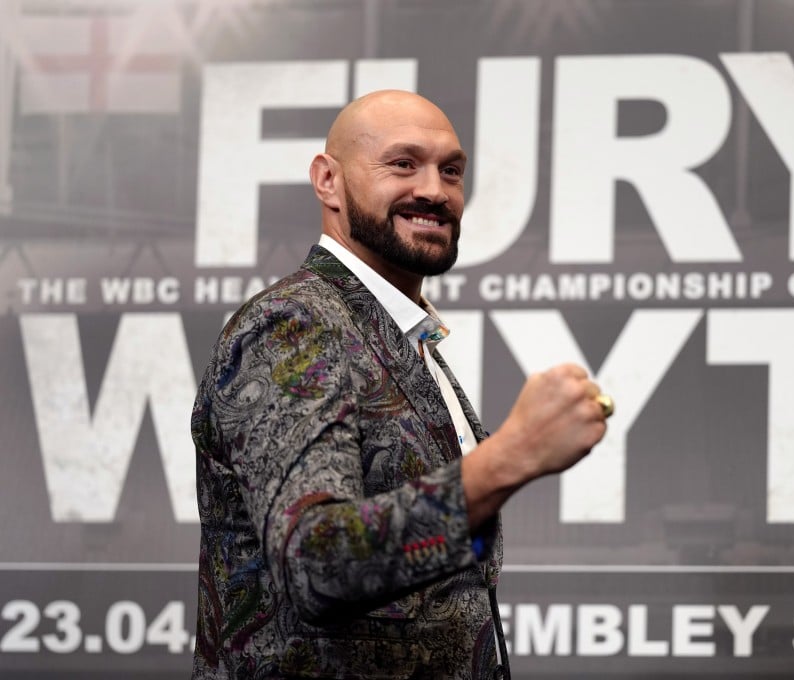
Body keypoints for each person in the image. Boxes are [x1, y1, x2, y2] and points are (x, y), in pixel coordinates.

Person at [191, 89, 611, 679]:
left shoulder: (402, 334)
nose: (435, 191)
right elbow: (315, 563)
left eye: (451, 170)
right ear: (328, 181)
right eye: (402, 163)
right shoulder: (296, 324)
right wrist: (510, 457)